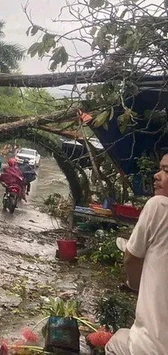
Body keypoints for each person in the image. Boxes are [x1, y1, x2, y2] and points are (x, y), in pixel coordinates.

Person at [106, 152, 168, 355]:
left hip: (151, 348)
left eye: (166, 171)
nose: (157, 175)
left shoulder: (158, 206)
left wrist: (134, 284)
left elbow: (131, 257)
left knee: (114, 343)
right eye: (160, 169)